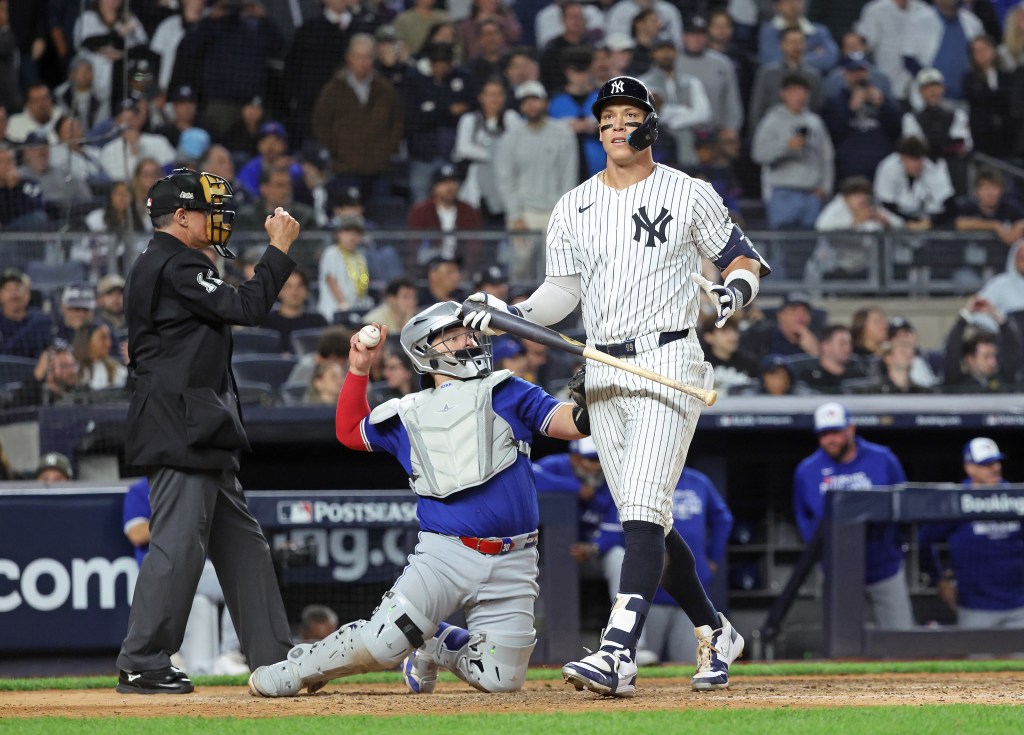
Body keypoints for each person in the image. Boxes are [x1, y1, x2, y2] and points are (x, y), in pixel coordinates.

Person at [463, 76, 766, 695]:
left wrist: (733, 291)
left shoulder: (688, 191)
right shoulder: (572, 204)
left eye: (629, 116)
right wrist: (505, 310)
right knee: (644, 516)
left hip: (668, 362)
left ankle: (617, 652)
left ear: (650, 125)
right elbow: (560, 296)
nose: (616, 128)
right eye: (607, 119)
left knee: (642, 515)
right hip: (602, 368)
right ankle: (716, 631)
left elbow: (743, 256)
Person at [247, 300, 591, 697]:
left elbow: (571, 424)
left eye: (469, 332)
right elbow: (349, 432)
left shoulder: (507, 389)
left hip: (515, 558)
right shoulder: (406, 413)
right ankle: (300, 666)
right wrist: (359, 368)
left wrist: (590, 398)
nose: (469, 339)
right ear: (425, 349)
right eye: (455, 335)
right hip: (445, 554)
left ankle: (433, 642)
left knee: (500, 679)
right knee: (382, 645)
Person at [115, 167, 300, 694]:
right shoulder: (173, 262)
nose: (219, 220)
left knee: (245, 547)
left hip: (201, 425)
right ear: (181, 216)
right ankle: (143, 660)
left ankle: (273, 659)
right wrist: (279, 251)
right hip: (179, 425)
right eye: (209, 211)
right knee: (177, 548)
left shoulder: (176, 262)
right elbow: (247, 306)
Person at [793, 401, 915, 630]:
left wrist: (895, 547)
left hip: (884, 567)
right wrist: (823, 556)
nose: (830, 439)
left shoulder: (883, 459)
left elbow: (904, 507)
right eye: (824, 434)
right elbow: (804, 518)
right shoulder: (807, 470)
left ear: (851, 429)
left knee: (901, 638)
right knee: (842, 645)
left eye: (836, 432)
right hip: (838, 571)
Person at [122, 477, 250, 677]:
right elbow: (136, 533)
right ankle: (168, 656)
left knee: (239, 582)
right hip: (160, 567)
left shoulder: (192, 483)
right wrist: (174, 519)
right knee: (164, 591)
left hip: (199, 564)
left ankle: (229, 655)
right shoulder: (140, 489)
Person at [919, 439, 1024, 633]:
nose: (994, 469)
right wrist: (939, 580)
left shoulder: (1016, 496)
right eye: (985, 465)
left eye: (996, 462)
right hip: (976, 607)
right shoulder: (955, 501)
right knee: (977, 661)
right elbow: (924, 541)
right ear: (969, 468)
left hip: (1019, 605)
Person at [751, 72, 834, 230]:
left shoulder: (815, 122)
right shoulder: (772, 120)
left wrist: (825, 187)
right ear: (784, 94)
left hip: (812, 193)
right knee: (783, 245)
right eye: (794, 91)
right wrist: (786, 147)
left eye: (803, 92)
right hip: (783, 192)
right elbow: (758, 154)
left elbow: (827, 156)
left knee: (809, 246)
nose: (799, 96)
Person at [317, 215, 376, 320]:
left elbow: (363, 285)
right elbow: (330, 279)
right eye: (347, 232)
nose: (352, 237)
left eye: (356, 233)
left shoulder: (361, 257)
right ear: (339, 234)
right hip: (333, 310)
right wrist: (343, 304)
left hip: (354, 311)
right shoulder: (331, 252)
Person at [259, 269, 327, 354]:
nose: (295, 291)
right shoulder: (267, 321)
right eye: (289, 286)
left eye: (300, 286)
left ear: (306, 291)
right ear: (280, 291)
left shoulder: (318, 320)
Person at [791, 324, 868, 394]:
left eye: (849, 343)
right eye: (842, 343)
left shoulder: (858, 377)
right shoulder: (808, 378)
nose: (848, 348)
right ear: (825, 346)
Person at [0, 267, 52, 359]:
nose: (14, 294)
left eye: (18, 289)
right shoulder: (39, 324)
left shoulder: (43, 322)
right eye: (8, 289)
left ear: (28, 294)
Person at [72, 320, 128, 392]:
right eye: (103, 338)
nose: (109, 344)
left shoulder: (116, 369)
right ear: (87, 341)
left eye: (109, 338)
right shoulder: (73, 369)